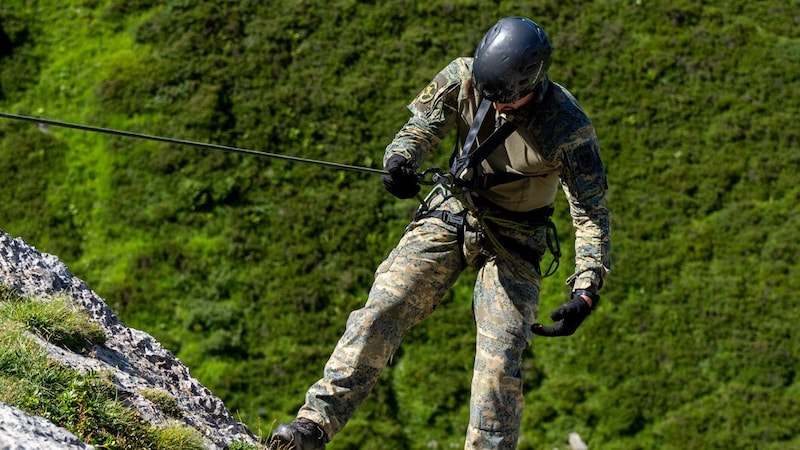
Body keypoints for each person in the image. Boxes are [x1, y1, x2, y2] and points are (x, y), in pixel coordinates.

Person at [268, 16, 611, 450]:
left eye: (508, 99)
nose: (497, 105)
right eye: (491, 96)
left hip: (515, 241)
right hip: (453, 209)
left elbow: (591, 211)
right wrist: (399, 161)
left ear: (535, 83)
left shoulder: (568, 127)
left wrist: (586, 290)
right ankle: (313, 426)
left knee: (498, 365)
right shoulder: (463, 78)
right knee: (383, 307)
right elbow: (420, 130)